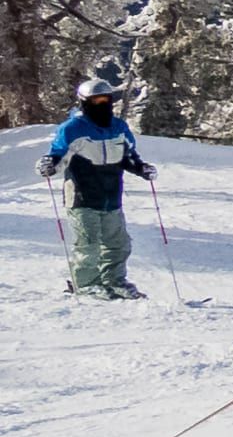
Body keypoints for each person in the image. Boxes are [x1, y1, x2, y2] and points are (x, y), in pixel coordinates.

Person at [36, 79, 157, 300]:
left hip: (111, 196)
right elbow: (57, 155)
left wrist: (142, 169)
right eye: (96, 100)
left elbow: (128, 156)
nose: (102, 104)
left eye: (106, 99)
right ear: (84, 102)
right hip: (82, 196)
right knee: (88, 244)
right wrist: (48, 165)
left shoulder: (118, 127)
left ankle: (114, 281)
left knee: (118, 244)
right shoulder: (72, 129)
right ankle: (87, 284)